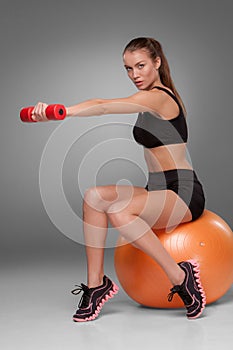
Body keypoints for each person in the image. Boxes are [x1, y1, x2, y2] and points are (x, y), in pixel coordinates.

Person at [32, 37, 206, 321]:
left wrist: (61, 111)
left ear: (157, 62)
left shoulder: (159, 97)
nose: (134, 75)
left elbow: (103, 106)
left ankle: (179, 276)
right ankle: (95, 285)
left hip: (182, 192)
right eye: (128, 68)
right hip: (158, 189)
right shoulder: (146, 98)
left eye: (140, 66)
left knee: (118, 211)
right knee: (93, 197)